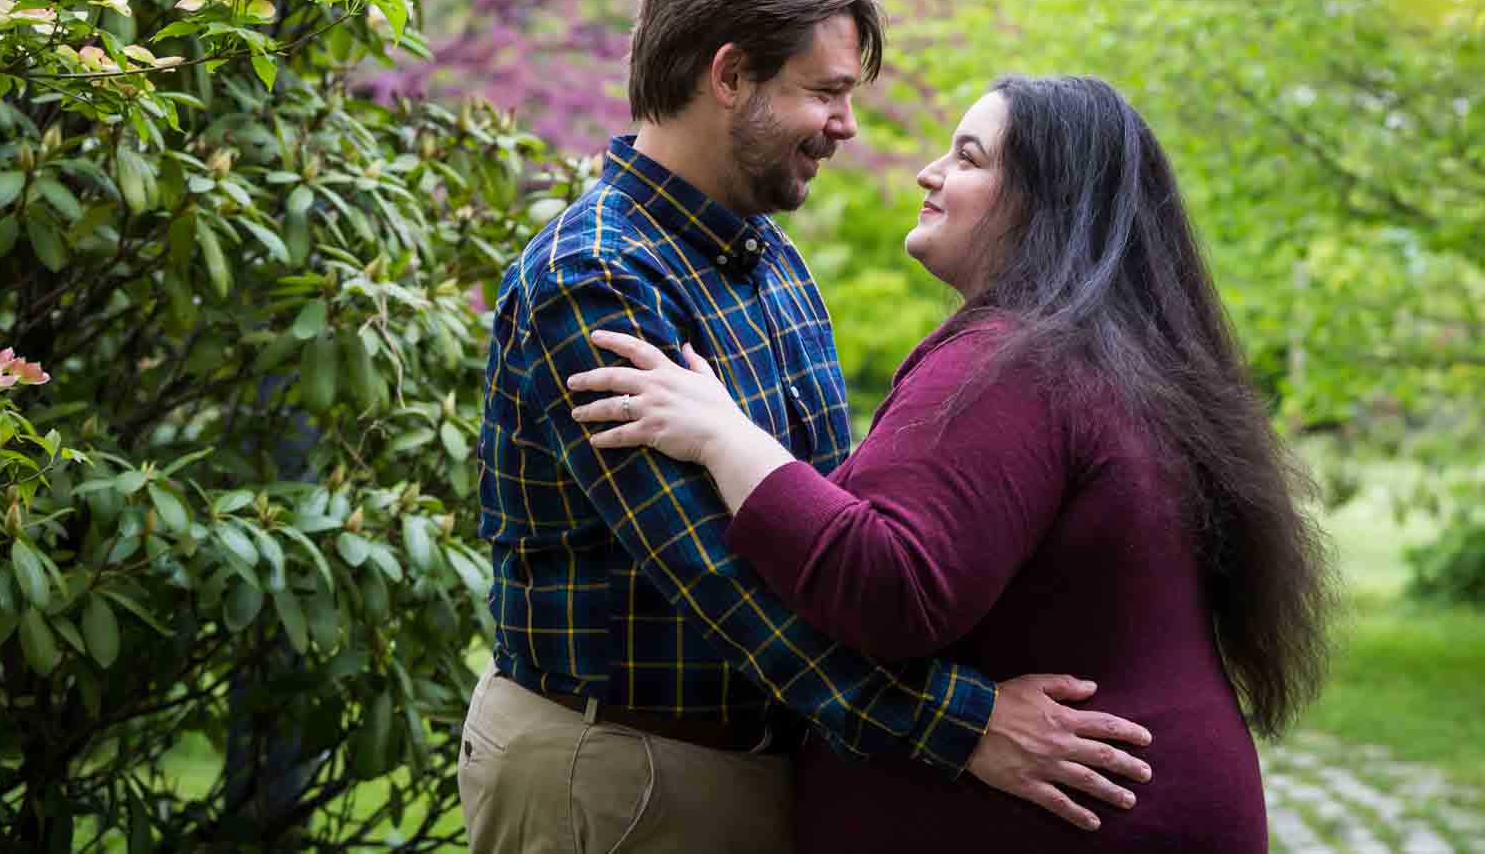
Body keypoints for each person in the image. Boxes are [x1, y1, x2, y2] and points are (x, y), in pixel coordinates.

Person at [461, 0, 1155, 854]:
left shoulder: (772, 263)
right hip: (624, 770)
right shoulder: (595, 282)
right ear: (730, 74)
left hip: (755, 756)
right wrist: (966, 723)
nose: (847, 126)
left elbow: (826, 528)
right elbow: (722, 576)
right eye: (825, 91)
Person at [570, 74, 1336, 852]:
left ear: (1044, 203)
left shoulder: (1015, 364)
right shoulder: (1116, 356)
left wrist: (721, 435)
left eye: (968, 158)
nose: (928, 173)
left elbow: (889, 585)